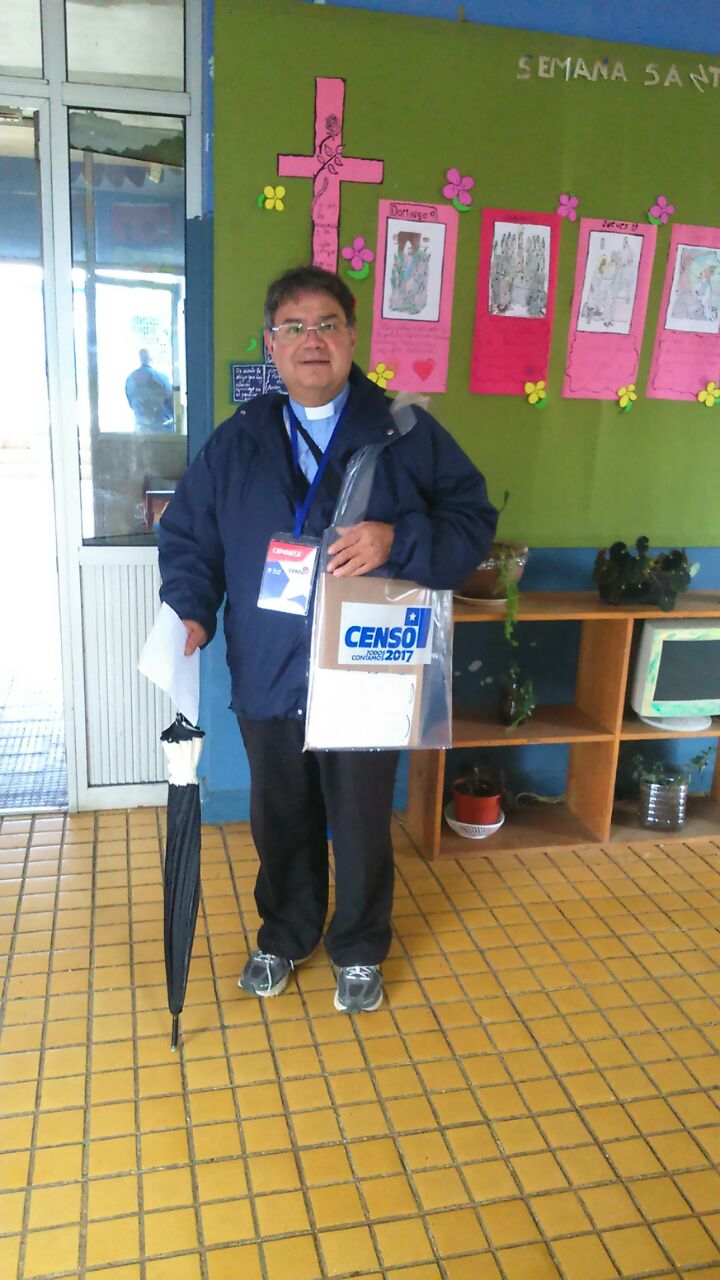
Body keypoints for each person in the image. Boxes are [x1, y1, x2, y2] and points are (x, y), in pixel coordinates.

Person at [158, 264, 497, 1014]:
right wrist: (191, 609)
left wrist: (397, 540)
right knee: (280, 813)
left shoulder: (405, 430)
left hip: (366, 665)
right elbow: (189, 536)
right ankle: (286, 932)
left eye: (327, 325)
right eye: (294, 327)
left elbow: (473, 521)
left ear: (351, 337)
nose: (311, 339)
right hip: (268, 665)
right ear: (270, 345)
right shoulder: (238, 441)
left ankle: (361, 945)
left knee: (362, 818)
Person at [125, 347, 175, 432]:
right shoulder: (162, 378)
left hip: (141, 430)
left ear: (139, 358)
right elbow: (172, 403)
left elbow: (131, 403)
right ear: (152, 359)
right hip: (163, 430)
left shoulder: (130, 379)